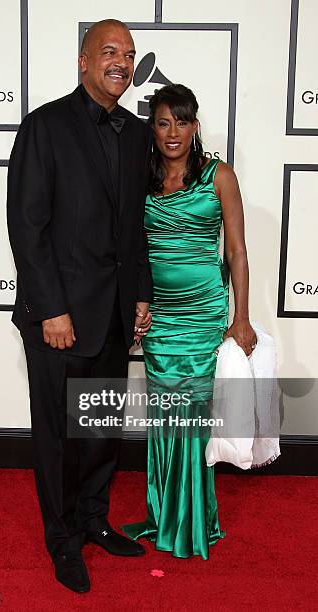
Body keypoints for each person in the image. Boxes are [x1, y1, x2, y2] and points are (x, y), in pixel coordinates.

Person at [7, 19, 153, 593]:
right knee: (59, 436)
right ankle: (62, 539)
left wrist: (140, 290)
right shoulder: (44, 126)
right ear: (83, 60)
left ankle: (94, 520)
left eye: (130, 54)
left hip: (115, 312)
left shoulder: (137, 134)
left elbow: (134, 224)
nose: (122, 61)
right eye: (110, 51)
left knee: (99, 429)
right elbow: (27, 223)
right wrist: (51, 308)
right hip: (60, 317)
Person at [123, 84, 257, 559]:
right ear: (153, 129)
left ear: (195, 126)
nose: (172, 132)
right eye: (162, 122)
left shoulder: (218, 176)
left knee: (193, 419)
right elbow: (127, 249)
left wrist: (241, 317)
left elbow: (236, 250)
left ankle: (194, 521)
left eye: (181, 121)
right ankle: (164, 513)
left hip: (202, 315)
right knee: (165, 417)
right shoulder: (139, 176)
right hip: (159, 318)